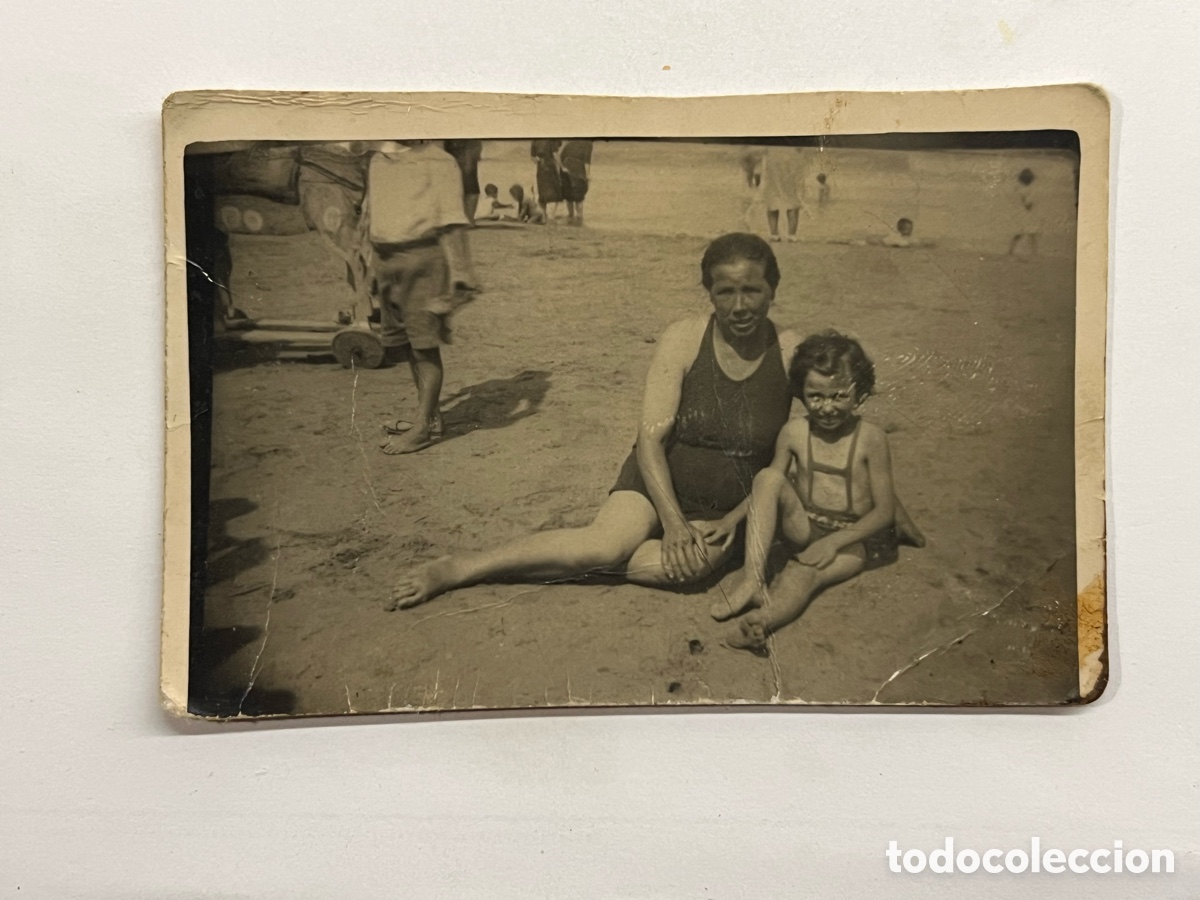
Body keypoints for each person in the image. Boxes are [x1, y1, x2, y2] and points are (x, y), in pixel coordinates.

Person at [387, 233, 802, 610]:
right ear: (709, 292)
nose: (740, 306)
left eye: (752, 291)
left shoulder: (789, 351)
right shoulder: (685, 338)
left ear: (774, 290)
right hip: (658, 478)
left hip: (723, 509)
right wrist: (672, 522)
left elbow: (818, 433)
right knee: (602, 546)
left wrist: (741, 518)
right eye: (725, 292)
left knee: (682, 569)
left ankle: (596, 557)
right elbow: (651, 441)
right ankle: (460, 567)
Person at [716, 331, 908, 653]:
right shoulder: (794, 433)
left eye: (839, 396)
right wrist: (730, 519)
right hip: (804, 525)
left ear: (859, 392)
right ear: (801, 393)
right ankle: (752, 579)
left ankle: (761, 622)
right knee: (767, 477)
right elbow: (768, 489)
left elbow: (884, 511)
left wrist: (833, 543)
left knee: (804, 574)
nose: (827, 407)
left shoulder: (871, 439)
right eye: (816, 396)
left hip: (851, 538)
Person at [366, 141, 477, 455]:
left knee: (425, 347)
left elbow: (453, 221)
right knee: (403, 345)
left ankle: (422, 429)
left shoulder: (438, 161)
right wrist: (371, 266)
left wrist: (463, 273)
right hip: (386, 261)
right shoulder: (378, 159)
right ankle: (430, 417)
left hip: (424, 260)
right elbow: (372, 213)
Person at [761, 144, 808, 242]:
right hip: (791, 157)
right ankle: (792, 235)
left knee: (772, 197)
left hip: (773, 156)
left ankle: (774, 234)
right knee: (792, 198)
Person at [442, 140, 483, 225]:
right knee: (469, 189)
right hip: (457, 157)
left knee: (469, 188)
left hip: (458, 156)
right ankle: (468, 219)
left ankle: (468, 218)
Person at [560, 139, 593, 225]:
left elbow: (561, 157)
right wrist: (587, 176)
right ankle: (579, 218)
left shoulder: (570, 142)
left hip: (565, 170)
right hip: (577, 171)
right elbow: (587, 161)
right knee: (579, 197)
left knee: (569, 196)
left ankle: (570, 217)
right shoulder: (588, 143)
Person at [1009, 167, 1041, 257]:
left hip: (1019, 213)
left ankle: (1011, 250)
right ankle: (1034, 252)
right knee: (1032, 233)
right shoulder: (1027, 190)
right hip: (1026, 214)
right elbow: (1028, 204)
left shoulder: (1018, 188)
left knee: (1019, 233)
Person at [530, 139, 564, 222]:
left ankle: (543, 217)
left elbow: (532, 157)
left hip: (540, 169)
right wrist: (563, 167)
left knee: (541, 195)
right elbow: (555, 154)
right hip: (549, 169)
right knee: (554, 195)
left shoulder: (535, 141)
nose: (559, 149)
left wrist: (538, 160)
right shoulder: (551, 140)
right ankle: (550, 217)